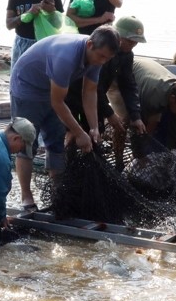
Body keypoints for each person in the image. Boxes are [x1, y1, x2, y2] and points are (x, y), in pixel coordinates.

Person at [8, 25, 121, 210]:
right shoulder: (66, 56)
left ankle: (57, 192)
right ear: (90, 45)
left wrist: (93, 128)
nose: (103, 62)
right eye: (101, 56)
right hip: (27, 89)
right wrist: (79, 133)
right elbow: (57, 103)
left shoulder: (96, 58)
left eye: (108, 59)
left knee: (56, 142)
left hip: (52, 90)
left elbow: (90, 92)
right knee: (26, 144)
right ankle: (26, 197)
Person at [69, 16, 147, 167]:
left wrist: (135, 115)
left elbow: (128, 84)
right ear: (118, 37)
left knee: (95, 132)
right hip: (76, 92)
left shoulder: (126, 55)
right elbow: (93, 87)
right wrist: (109, 113)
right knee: (73, 130)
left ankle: (94, 165)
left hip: (96, 96)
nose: (133, 45)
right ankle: (69, 163)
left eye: (136, 42)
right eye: (130, 41)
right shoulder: (101, 51)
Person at [5, 0, 64, 66]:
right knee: (19, 78)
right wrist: (29, 13)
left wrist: (52, 12)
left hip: (46, 44)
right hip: (22, 43)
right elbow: (9, 24)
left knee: (42, 80)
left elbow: (59, 25)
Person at [133, 57, 176, 151]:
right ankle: (119, 162)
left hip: (151, 76)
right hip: (124, 73)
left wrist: (174, 150)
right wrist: (141, 151)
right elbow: (142, 126)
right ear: (173, 99)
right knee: (126, 122)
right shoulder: (153, 95)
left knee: (155, 120)